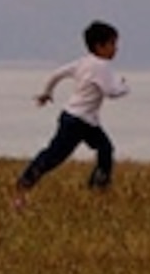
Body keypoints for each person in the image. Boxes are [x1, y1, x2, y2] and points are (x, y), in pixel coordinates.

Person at [16, 20, 126, 194]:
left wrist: (47, 93)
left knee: (103, 148)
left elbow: (56, 74)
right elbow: (111, 92)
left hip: (79, 119)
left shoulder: (83, 62)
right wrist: (123, 86)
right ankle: (26, 181)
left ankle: (98, 187)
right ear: (99, 46)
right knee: (56, 156)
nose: (116, 48)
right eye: (112, 43)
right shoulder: (102, 66)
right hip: (78, 122)